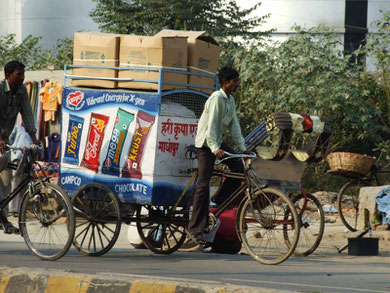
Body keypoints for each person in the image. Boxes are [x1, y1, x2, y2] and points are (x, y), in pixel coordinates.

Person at [187, 66, 246, 243]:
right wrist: (214, 147)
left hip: (217, 142)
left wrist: (242, 148)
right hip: (206, 145)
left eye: (237, 81)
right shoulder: (216, 99)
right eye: (234, 81)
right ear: (225, 82)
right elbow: (211, 125)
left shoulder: (230, 100)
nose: (237, 84)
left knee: (238, 167)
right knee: (203, 185)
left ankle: (220, 199)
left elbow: (234, 125)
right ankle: (195, 227)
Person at [0, 60, 39, 234]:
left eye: (23, 74)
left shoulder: (22, 91)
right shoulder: (1, 90)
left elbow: (27, 114)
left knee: (5, 181)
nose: (22, 77)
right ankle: (4, 220)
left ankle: (4, 219)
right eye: (18, 74)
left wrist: (34, 138)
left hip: (4, 141)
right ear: (8, 75)